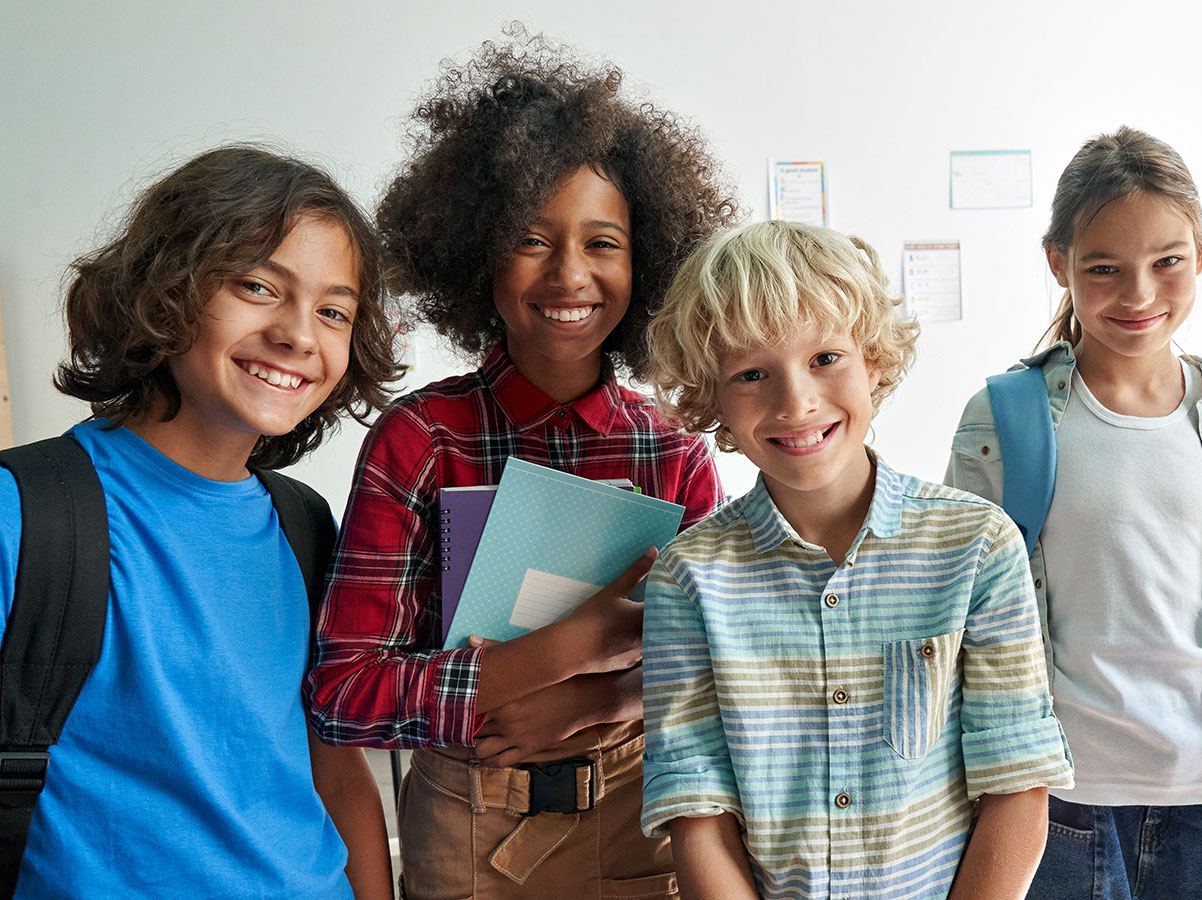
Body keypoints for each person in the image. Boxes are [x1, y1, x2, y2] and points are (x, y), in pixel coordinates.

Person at [304, 30, 738, 900]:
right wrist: (557, 653)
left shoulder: (676, 449)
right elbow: (345, 694)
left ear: (645, 258)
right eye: (532, 239)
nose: (570, 273)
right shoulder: (420, 440)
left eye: (603, 243)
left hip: (639, 826)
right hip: (465, 833)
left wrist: (607, 702)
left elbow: (720, 672)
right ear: (477, 256)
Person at [0, 145, 399, 898]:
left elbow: (336, 771)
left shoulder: (304, 525)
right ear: (165, 288)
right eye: (257, 285)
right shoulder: (25, 516)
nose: (298, 334)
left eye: (334, 311)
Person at [640, 220, 1073, 900]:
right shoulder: (688, 580)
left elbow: (1017, 785)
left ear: (874, 360)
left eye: (824, 359)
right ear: (712, 398)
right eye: (751, 373)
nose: (796, 401)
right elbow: (698, 819)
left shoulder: (977, 546)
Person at [946, 126, 1202, 900]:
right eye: (1105, 268)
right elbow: (961, 634)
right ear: (1059, 263)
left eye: (1167, 263)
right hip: (1053, 807)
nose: (1140, 294)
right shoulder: (1001, 419)